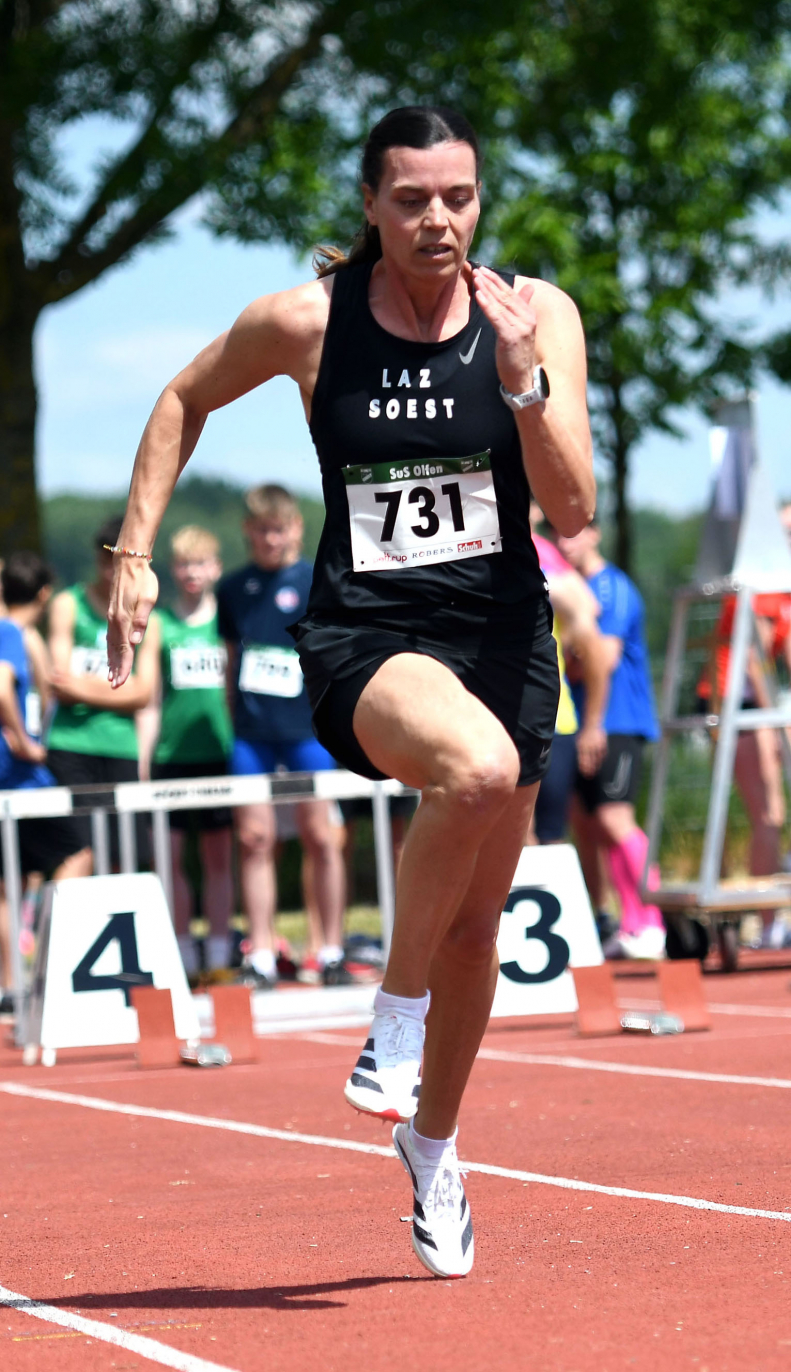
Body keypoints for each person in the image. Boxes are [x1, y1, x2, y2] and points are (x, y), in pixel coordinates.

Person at [106, 105, 594, 1279]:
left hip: (503, 636)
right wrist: (131, 551)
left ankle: (431, 1143)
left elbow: (571, 511)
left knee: (479, 925)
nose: (438, 219)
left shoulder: (534, 315)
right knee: (467, 769)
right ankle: (391, 1020)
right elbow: (181, 398)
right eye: (413, 198)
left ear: (480, 200)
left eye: (458, 197)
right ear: (371, 204)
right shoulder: (306, 320)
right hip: (368, 637)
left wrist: (523, 381)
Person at [216, 484, 348, 989]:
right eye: (261, 530)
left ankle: (331, 948)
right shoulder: (233, 589)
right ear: (249, 532)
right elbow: (232, 663)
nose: (271, 539)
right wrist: (235, 721)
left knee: (321, 836)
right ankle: (263, 955)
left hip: (307, 731)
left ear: (295, 528)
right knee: (253, 840)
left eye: (280, 529)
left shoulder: (317, 580)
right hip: (253, 735)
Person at [557, 517, 663, 959]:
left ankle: (651, 921)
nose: (567, 542)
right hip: (580, 724)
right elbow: (574, 659)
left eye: (576, 531)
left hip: (616, 721)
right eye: (560, 533)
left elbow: (603, 656)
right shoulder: (568, 591)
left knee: (616, 821)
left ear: (596, 533)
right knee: (588, 825)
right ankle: (617, 920)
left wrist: (595, 724)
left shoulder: (610, 588)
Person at [140, 526, 234, 975]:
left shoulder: (225, 620)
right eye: (183, 563)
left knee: (219, 857)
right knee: (171, 858)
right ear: (172, 570)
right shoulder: (160, 623)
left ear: (215, 568)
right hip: (172, 757)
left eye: (200, 563)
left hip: (219, 752)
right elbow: (151, 699)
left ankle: (218, 953)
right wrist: (145, 760)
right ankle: (181, 952)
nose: (191, 572)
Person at [696, 503, 791, 947]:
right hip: (734, 704)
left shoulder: (783, 589)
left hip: (757, 704)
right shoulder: (761, 585)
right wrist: (777, 724)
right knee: (767, 811)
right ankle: (766, 922)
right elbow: (753, 661)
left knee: (769, 814)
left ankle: (766, 919)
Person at [0, 554, 92, 1008]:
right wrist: (23, 741)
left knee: (7, 882)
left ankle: (10, 987)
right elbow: (2, 687)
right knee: (77, 851)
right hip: (19, 778)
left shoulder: (21, 636)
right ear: (43, 594)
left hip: (9, 781)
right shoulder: (10, 632)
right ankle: (55, 963)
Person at [46, 515, 158, 867]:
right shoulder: (68, 604)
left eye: (120, 565)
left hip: (120, 746)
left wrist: (82, 687)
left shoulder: (144, 614)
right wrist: (120, 687)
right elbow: (59, 684)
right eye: (106, 564)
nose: (113, 574)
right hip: (70, 745)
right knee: (77, 853)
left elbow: (144, 694)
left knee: (130, 855)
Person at [529, 516, 608, 851]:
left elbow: (590, 626)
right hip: (496, 721)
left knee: (549, 835)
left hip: (553, 723)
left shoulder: (543, 554)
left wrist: (593, 724)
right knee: (508, 835)